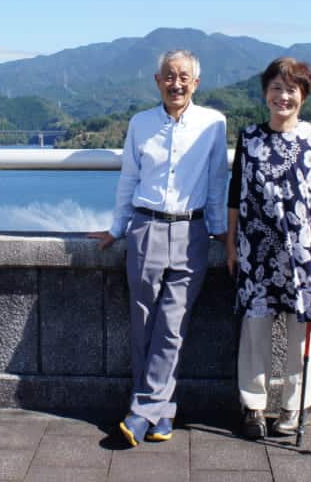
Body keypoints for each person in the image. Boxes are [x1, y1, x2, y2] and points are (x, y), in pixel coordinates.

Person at [88, 49, 228, 447]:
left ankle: (141, 413)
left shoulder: (213, 123)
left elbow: (217, 181)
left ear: (196, 83)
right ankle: (162, 412)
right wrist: (116, 229)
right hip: (145, 227)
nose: (176, 84)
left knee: (172, 325)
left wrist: (221, 232)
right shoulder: (141, 123)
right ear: (157, 81)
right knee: (143, 324)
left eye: (183, 77)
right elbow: (128, 179)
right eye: (169, 76)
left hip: (191, 230)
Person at [225, 56, 311, 439]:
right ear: (265, 93)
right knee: (254, 330)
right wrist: (231, 243)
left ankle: (294, 407)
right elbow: (235, 193)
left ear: (303, 95)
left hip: (306, 252)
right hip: (256, 251)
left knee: (301, 332)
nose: (283, 96)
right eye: (276, 88)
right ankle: (253, 406)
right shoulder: (249, 137)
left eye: (291, 89)